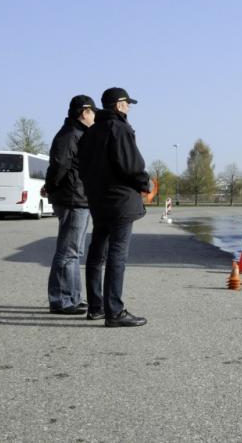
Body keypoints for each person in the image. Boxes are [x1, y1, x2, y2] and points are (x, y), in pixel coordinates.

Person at [80, 87, 150, 327]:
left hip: (98, 201)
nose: (129, 107)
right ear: (119, 105)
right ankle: (115, 312)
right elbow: (131, 165)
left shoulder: (90, 132)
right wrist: (145, 184)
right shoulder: (119, 129)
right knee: (117, 255)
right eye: (127, 103)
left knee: (96, 253)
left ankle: (95, 307)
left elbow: (83, 167)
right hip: (120, 201)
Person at [44, 95, 96, 315]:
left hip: (78, 198)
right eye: (93, 112)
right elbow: (59, 165)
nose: (95, 116)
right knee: (68, 251)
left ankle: (73, 297)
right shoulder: (71, 135)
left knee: (75, 250)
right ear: (84, 112)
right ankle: (62, 300)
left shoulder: (77, 133)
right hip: (73, 198)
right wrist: (51, 186)